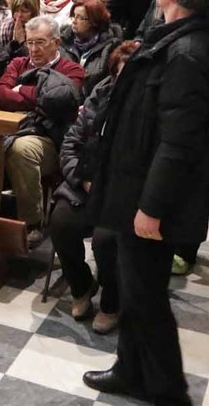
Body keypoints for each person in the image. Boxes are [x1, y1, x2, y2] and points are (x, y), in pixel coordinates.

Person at [80, 0, 209, 406]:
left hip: (150, 199)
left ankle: (169, 392)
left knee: (147, 298)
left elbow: (178, 142)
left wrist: (152, 207)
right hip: (135, 186)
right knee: (134, 288)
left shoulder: (187, 52)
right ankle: (130, 370)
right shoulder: (175, 39)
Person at [51, 39, 141, 332]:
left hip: (123, 193)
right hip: (88, 183)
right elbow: (70, 145)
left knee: (106, 240)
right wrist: (83, 179)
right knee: (61, 222)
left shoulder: (146, 111)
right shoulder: (98, 97)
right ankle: (81, 286)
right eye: (119, 74)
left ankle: (112, 300)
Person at [0, 15, 85, 245]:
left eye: (40, 42)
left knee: (22, 150)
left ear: (56, 43)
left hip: (51, 138)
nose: (33, 49)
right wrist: (36, 96)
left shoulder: (71, 70)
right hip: (16, 128)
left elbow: (57, 102)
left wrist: (20, 89)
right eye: (30, 42)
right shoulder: (18, 63)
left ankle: (32, 222)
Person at [61, 0, 122, 94]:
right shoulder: (62, 42)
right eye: (73, 16)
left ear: (94, 22)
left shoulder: (111, 47)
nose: (74, 21)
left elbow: (110, 84)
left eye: (80, 18)